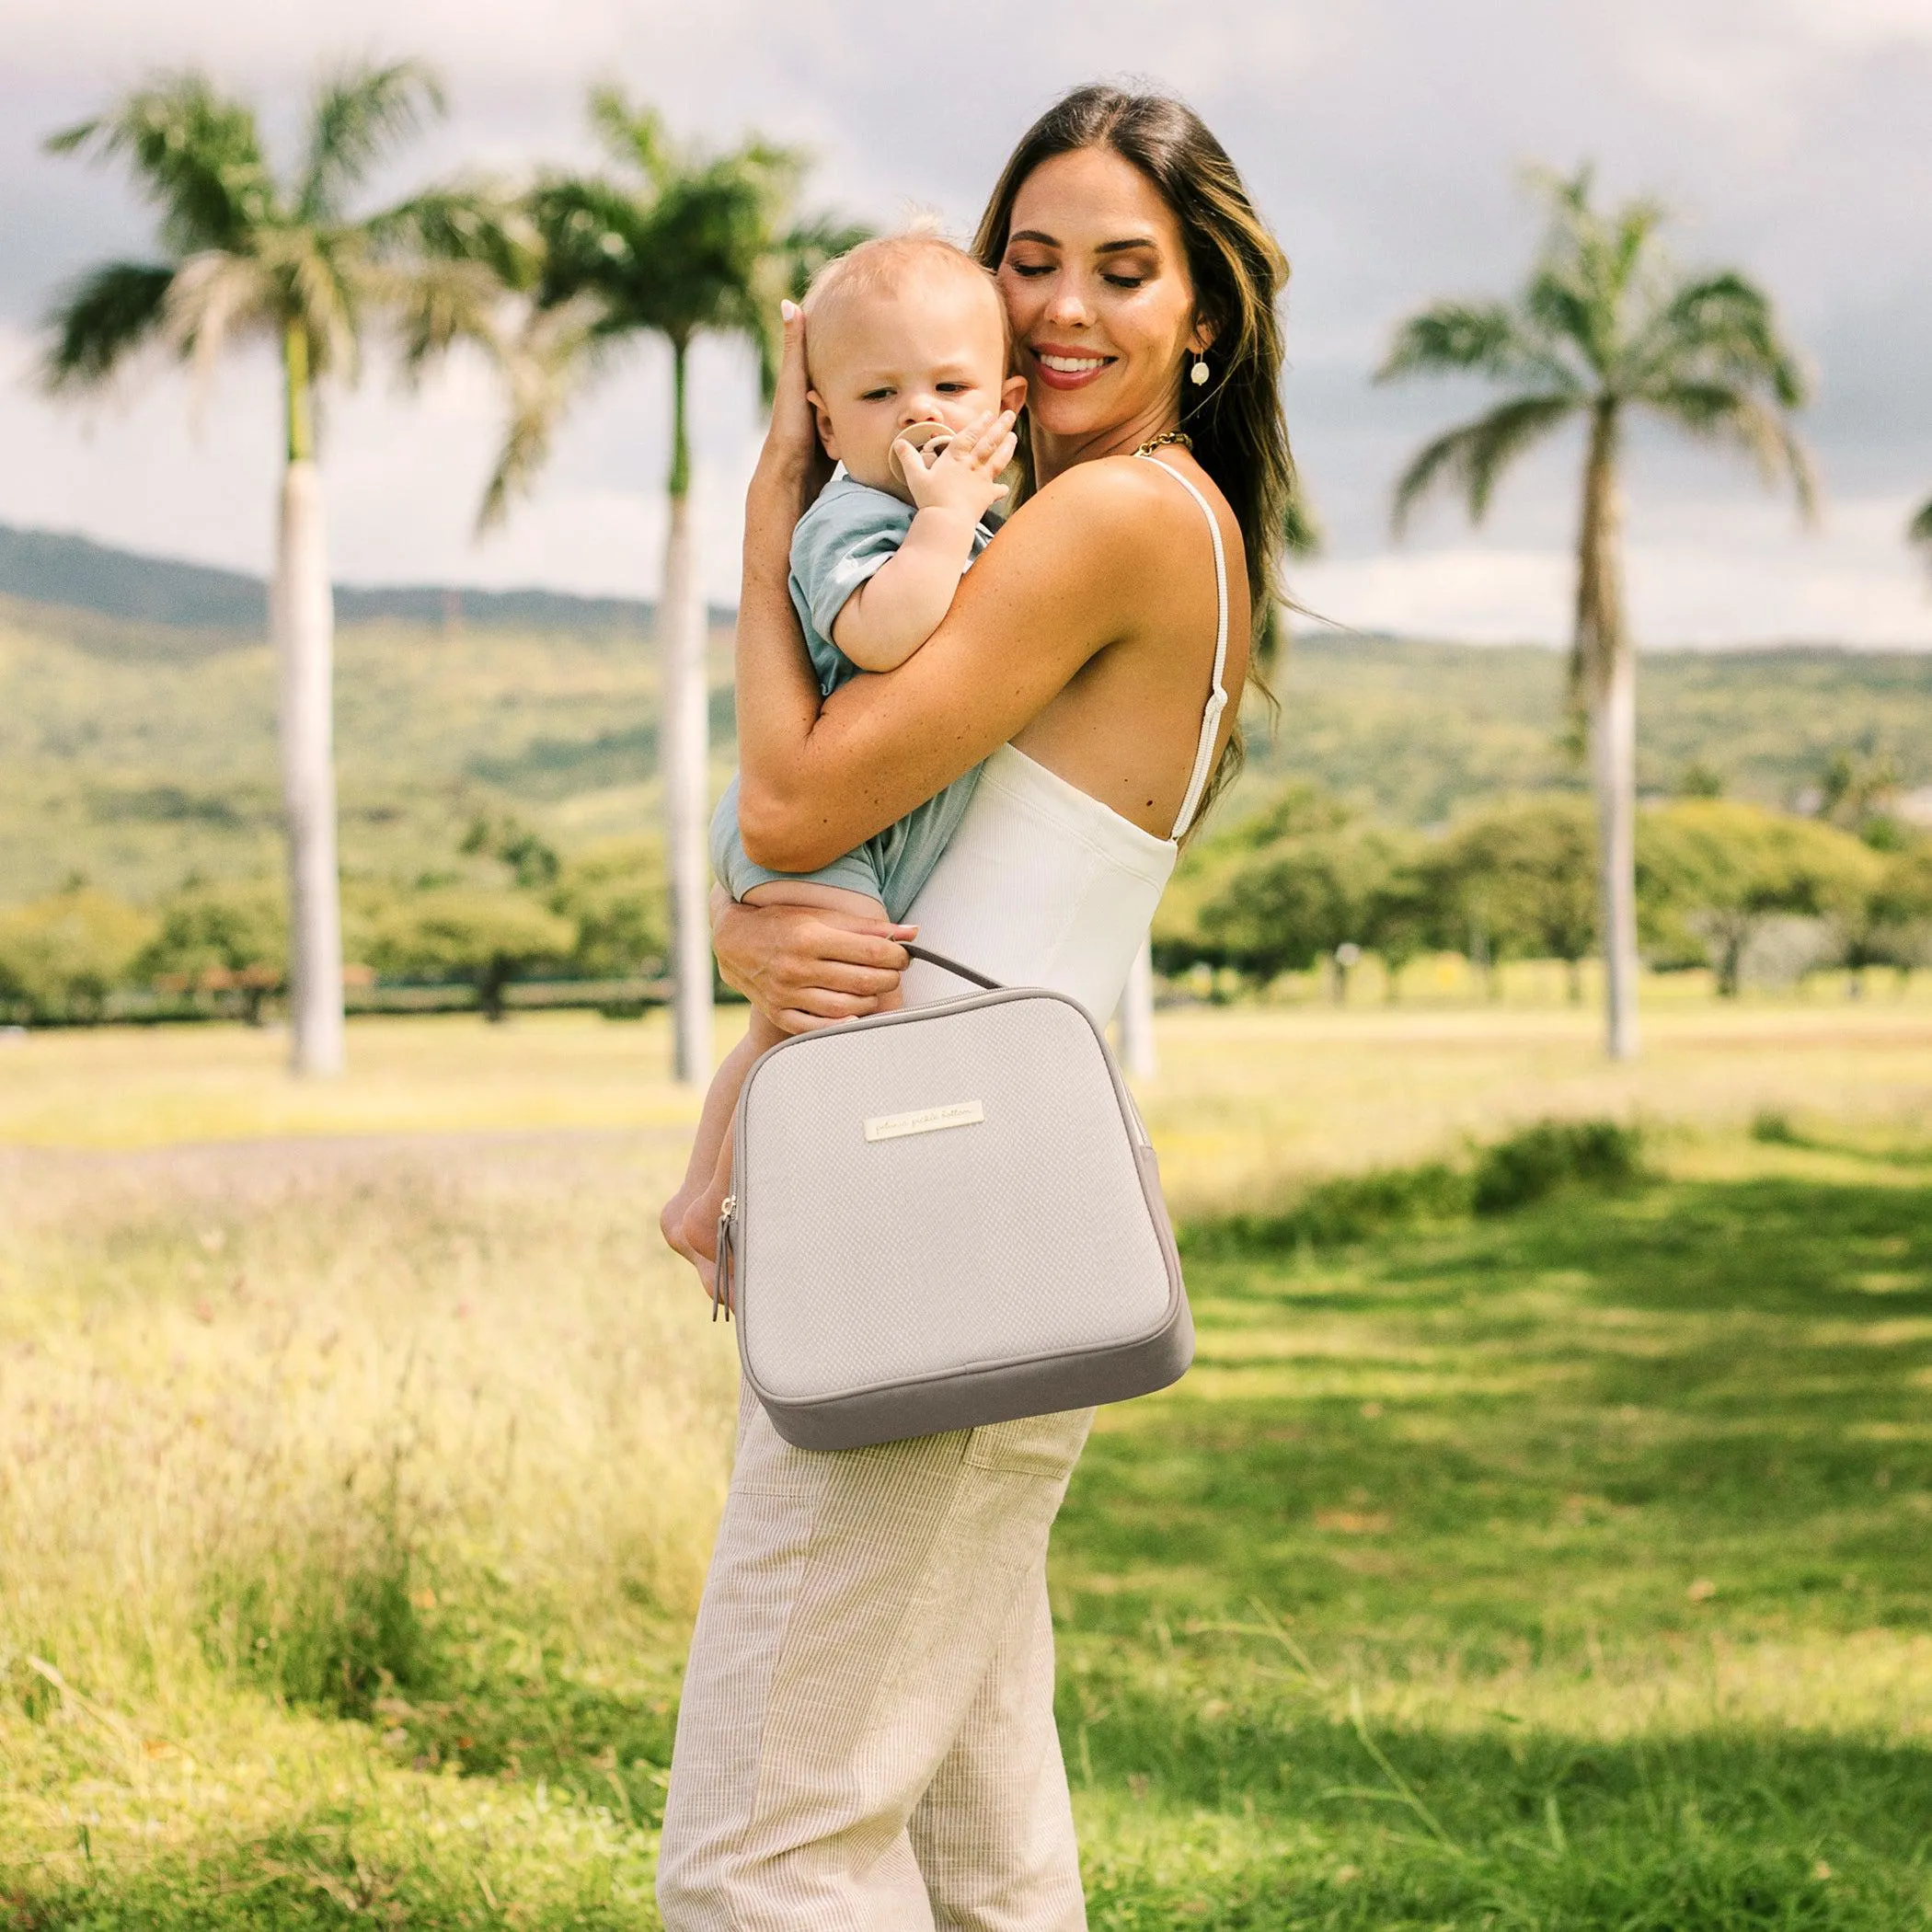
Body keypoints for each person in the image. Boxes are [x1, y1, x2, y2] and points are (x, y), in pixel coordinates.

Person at [656, 83, 1295, 1931]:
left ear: (1207, 312)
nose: (1065, 308)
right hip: (978, 1188)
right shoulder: (1111, 519)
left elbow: (793, 803)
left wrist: (780, 497)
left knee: (762, 1853)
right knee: (971, 1841)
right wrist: (749, 927)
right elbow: (866, 842)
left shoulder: (1106, 531)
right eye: (1031, 261)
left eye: (1124, 268)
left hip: (937, 1194)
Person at [661, 232, 1026, 1293]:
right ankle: (737, 1199)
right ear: (824, 421)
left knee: (790, 1016)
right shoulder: (852, 522)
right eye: (877, 394)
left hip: (826, 824)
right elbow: (880, 636)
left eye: (950, 385)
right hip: (805, 823)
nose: (920, 413)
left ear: (1004, 404)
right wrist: (951, 522)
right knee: (840, 999)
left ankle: (701, 1200)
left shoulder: (947, 518)